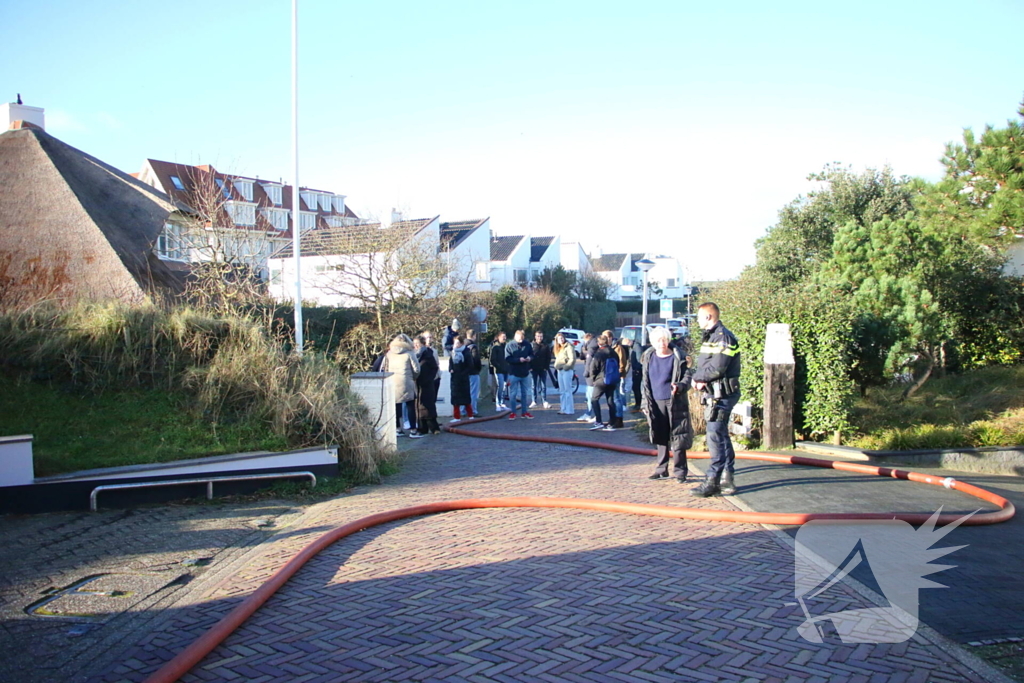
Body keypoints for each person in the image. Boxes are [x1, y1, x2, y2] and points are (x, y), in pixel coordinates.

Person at [688, 302, 741, 497]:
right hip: (715, 393)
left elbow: (718, 367)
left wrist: (698, 378)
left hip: (722, 395)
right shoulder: (712, 337)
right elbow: (706, 365)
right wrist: (697, 377)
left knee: (715, 436)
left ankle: (713, 481)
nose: (697, 321)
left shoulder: (723, 337)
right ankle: (727, 479)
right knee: (720, 435)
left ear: (708, 317)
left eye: (699, 317)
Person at [641, 326, 693, 481]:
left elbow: (687, 377)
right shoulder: (648, 357)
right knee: (660, 435)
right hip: (655, 402)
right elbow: (644, 382)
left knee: (678, 436)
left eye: (664, 340)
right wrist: (645, 403)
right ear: (653, 342)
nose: (661, 343)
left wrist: (680, 386)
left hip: (675, 402)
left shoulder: (678, 357)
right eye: (658, 340)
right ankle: (661, 469)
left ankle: (680, 471)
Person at [381, 334, 419, 437]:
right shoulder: (409, 353)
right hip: (407, 382)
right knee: (410, 406)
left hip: (393, 382)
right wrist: (413, 377)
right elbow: (416, 369)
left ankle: (398, 429)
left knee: (396, 406)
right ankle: (413, 430)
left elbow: (385, 368)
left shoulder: (389, 354)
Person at [585, 333, 619, 431]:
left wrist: (593, 379)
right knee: (610, 400)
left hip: (601, 380)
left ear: (599, 343)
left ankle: (599, 421)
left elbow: (593, 368)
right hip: (612, 379)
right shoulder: (613, 352)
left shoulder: (599, 353)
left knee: (594, 399)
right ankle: (612, 423)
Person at [504, 330, 534, 420]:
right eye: (519, 339)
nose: (521, 341)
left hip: (525, 373)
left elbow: (532, 354)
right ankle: (513, 412)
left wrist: (529, 358)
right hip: (513, 373)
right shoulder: (509, 345)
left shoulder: (527, 344)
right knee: (513, 394)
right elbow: (507, 358)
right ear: (515, 337)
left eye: (522, 339)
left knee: (524, 394)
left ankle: (524, 412)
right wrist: (518, 360)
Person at [413, 335, 440, 435]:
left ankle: (433, 427)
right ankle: (421, 427)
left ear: (422, 344)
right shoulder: (413, 355)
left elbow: (434, 368)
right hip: (417, 384)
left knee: (428, 405)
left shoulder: (428, 354)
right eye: (414, 344)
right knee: (418, 406)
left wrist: (429, 378)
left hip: (427, 384)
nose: (415, 346)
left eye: (417, 344)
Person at [449, 335, 475, 421]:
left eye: (457, 343)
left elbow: (470, 366)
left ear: (461, 343)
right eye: (455, 343)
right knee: (455, 398)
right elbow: (450, 363)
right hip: (455, 379)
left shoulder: (466, 353)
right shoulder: (452, 352)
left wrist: (463, 373)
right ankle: (457, 417)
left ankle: (470, 415)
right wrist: (451, 369)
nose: (456, 345)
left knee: (466, 398)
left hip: (463, 379)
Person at [576, 332, 599, 423]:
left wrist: (586, 372)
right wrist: (583, 349)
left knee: (591, 396)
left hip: (591, 376)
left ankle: (590, 414)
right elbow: (582, 357)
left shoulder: (592, 347)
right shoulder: (590, 346)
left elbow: (589, 361)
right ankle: (589, 414)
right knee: (589, 396)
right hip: (592, 375)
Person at [552, 332, 576, 416]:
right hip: (560, 370)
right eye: (559, 338)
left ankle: (569, 409)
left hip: (567, 370)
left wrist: (566, 367)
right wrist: (556, 366)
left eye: (562, 338)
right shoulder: (558, 348)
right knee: (562, 391)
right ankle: (563, 408)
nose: (561, 340)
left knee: (567, 390)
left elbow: (572, 359)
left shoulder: (569, 347)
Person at [529, 330, 552, 410]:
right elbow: (528, 356)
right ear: (535, 337)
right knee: (533, 386)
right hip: (533, 368)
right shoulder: (531, 345)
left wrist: (546, 367)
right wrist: (530, 367)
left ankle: (544, 401)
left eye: (541, 336)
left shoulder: (546, 346)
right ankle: (534, 401)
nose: (539, 338)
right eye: (538, 336)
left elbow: (548, 357)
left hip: (543, 368)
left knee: (543, 386)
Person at [489, 331, 510, 410]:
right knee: (500, 386)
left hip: (506, 370)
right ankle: (498, 403)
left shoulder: (506, 347)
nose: (504, 338)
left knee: (504, 387)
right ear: (498, 337)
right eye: (502, 337)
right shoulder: (495, 347)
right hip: (498, 371)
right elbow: (492, 360)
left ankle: (502, 403)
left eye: (505, 337)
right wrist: (498, 367)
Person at [464, 329, 483, 416]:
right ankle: (472, 411)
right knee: (473, 392)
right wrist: (478, 369)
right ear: (474, 336)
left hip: (464, 373)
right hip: (473, 372)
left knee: (465, 392)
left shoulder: (462, 346)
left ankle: (463, 411)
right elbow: (476, 360)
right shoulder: (473, 347)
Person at [630, 335, 646, 411]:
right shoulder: (633, 347)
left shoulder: (637, 347)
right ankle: (638, 404)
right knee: (635, 387)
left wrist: (637, 369)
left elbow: (640, 360)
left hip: (638, 371)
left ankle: (638, 404)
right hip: (636, 370)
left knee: (636, 387)